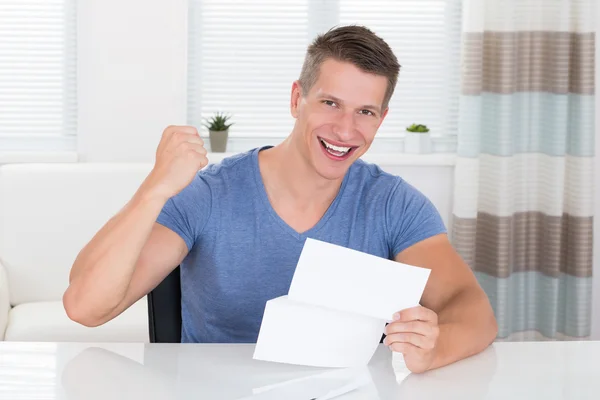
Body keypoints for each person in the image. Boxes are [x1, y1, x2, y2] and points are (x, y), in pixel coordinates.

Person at [63, 25, 497, 374]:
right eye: (330, 103)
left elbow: (474, 311)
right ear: (297, 99)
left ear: (381, 119)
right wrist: (155, 188)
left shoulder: (394, 204)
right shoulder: (208, 194)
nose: (346, 130)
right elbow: (86, 307)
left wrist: (433, 350)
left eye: (365, 112)